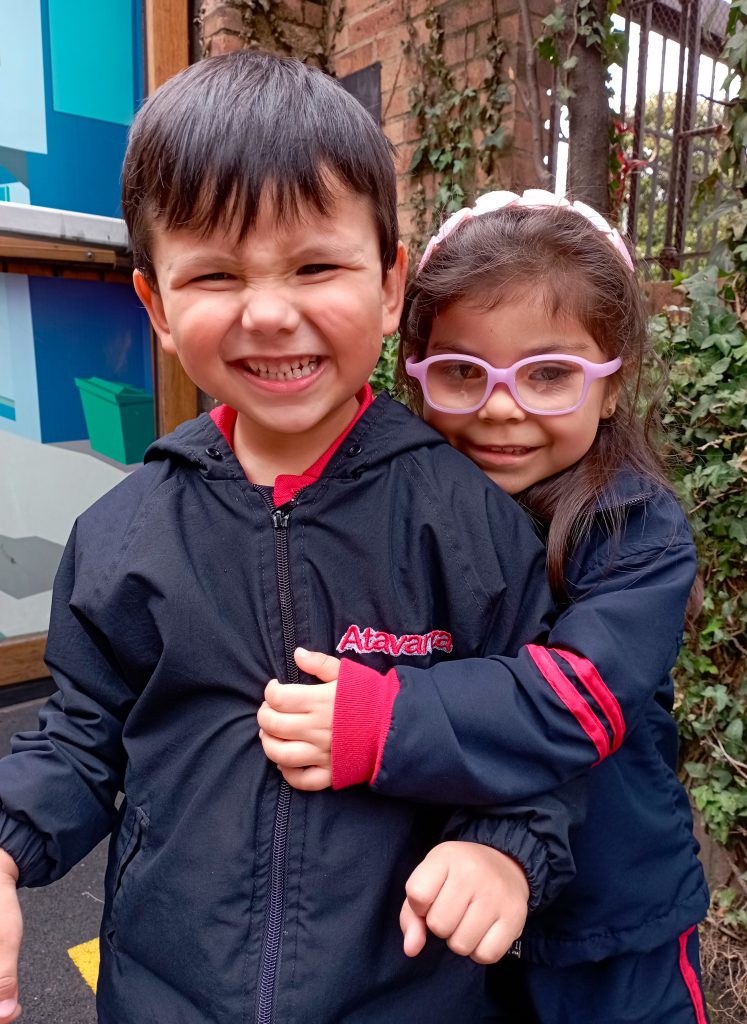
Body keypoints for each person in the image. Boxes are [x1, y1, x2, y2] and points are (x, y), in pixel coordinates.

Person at [0, 58, 587, 1024]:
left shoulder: (467, 524)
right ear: (156, 307)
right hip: (162, 995)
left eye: (315, 266)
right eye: (216, 274)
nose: (270, 312)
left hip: (408, 997)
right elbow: (79, 735)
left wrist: (506, 850)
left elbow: (536, 731)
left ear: (390, 285)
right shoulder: (121, 532)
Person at [257, 190, 711, 1024]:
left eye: (549, 374)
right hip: (453, 918)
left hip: (615, 928)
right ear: (416, 371)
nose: (501, 406)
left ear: (611, 385)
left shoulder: (635, 529)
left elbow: (579, 697)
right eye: (463, 372)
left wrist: (382, 722)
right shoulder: (403, 513)